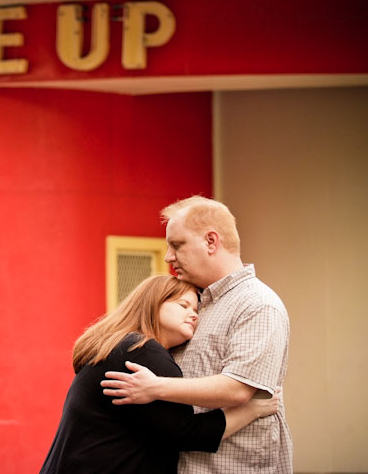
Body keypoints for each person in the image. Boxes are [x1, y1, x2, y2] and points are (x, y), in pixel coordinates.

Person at [101, 196, 293, 473]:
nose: (168, 257)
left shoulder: (257, 304)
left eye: (177, 245)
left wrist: (154, 387)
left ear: (211, 242)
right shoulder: (195, 303)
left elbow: (238, 389)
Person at [40, 275, 280, 474]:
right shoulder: (141, 351)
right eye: (182, 305)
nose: (194, 314)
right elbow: (188, 433)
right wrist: (254, 408)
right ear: (152, 305)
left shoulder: (119, 346)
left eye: (196, 309)